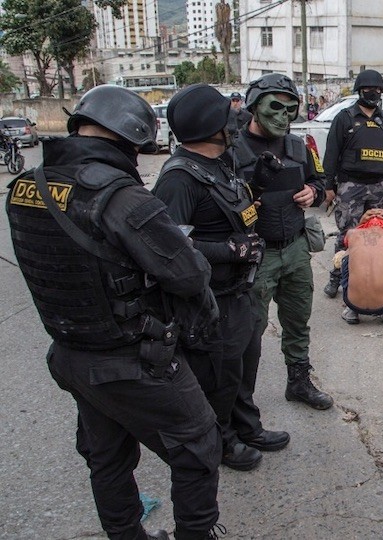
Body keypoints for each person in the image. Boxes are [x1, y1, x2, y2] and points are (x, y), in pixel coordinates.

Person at [5, 85, 222, 539]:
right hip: (131, 358)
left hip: (70, 354)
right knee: (199, 443)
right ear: (130, 140)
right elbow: (187, 275)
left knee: (107, 456)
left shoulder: (27, 185)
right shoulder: (122, 197)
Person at [153, 83, 280, 473]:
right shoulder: (179, 178)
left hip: (240, 293)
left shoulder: (220, 163)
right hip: (212, 301)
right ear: (209, 126)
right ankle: (221, 440)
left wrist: (256, 184)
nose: (237, 120)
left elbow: (227, 211)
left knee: (244, 365)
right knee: (219, 377)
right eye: (228, 115)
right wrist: (231, 251)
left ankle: (247, 426)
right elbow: (167, 247)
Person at [229, 73, 333, 412]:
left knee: (298, 320)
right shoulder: (231, 149)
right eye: (275, 106)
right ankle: (240, 403)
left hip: (296, 248)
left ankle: (298, 382)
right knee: (249, 331)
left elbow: (321, 182)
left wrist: (313, 192)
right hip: (255, 255)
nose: (283, 115)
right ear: (254, 106)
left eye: (291, 109)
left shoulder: (298, 146)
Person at [322, 69, 383, 298]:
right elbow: (331, 153)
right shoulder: (345, 117)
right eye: (369, 89)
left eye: (378, 89)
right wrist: (328, 186)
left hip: (378, 186)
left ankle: (368, 276)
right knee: (348, 234)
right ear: (359, 91)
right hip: (351, 186)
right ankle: (337, 277)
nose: (373, 93)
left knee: (374, 234)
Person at [337, 208, 383, 324]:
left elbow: (347, 241)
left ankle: (351, 310)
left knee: (349, 251)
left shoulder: (352, 233)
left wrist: (361, 222)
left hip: (352, 302)